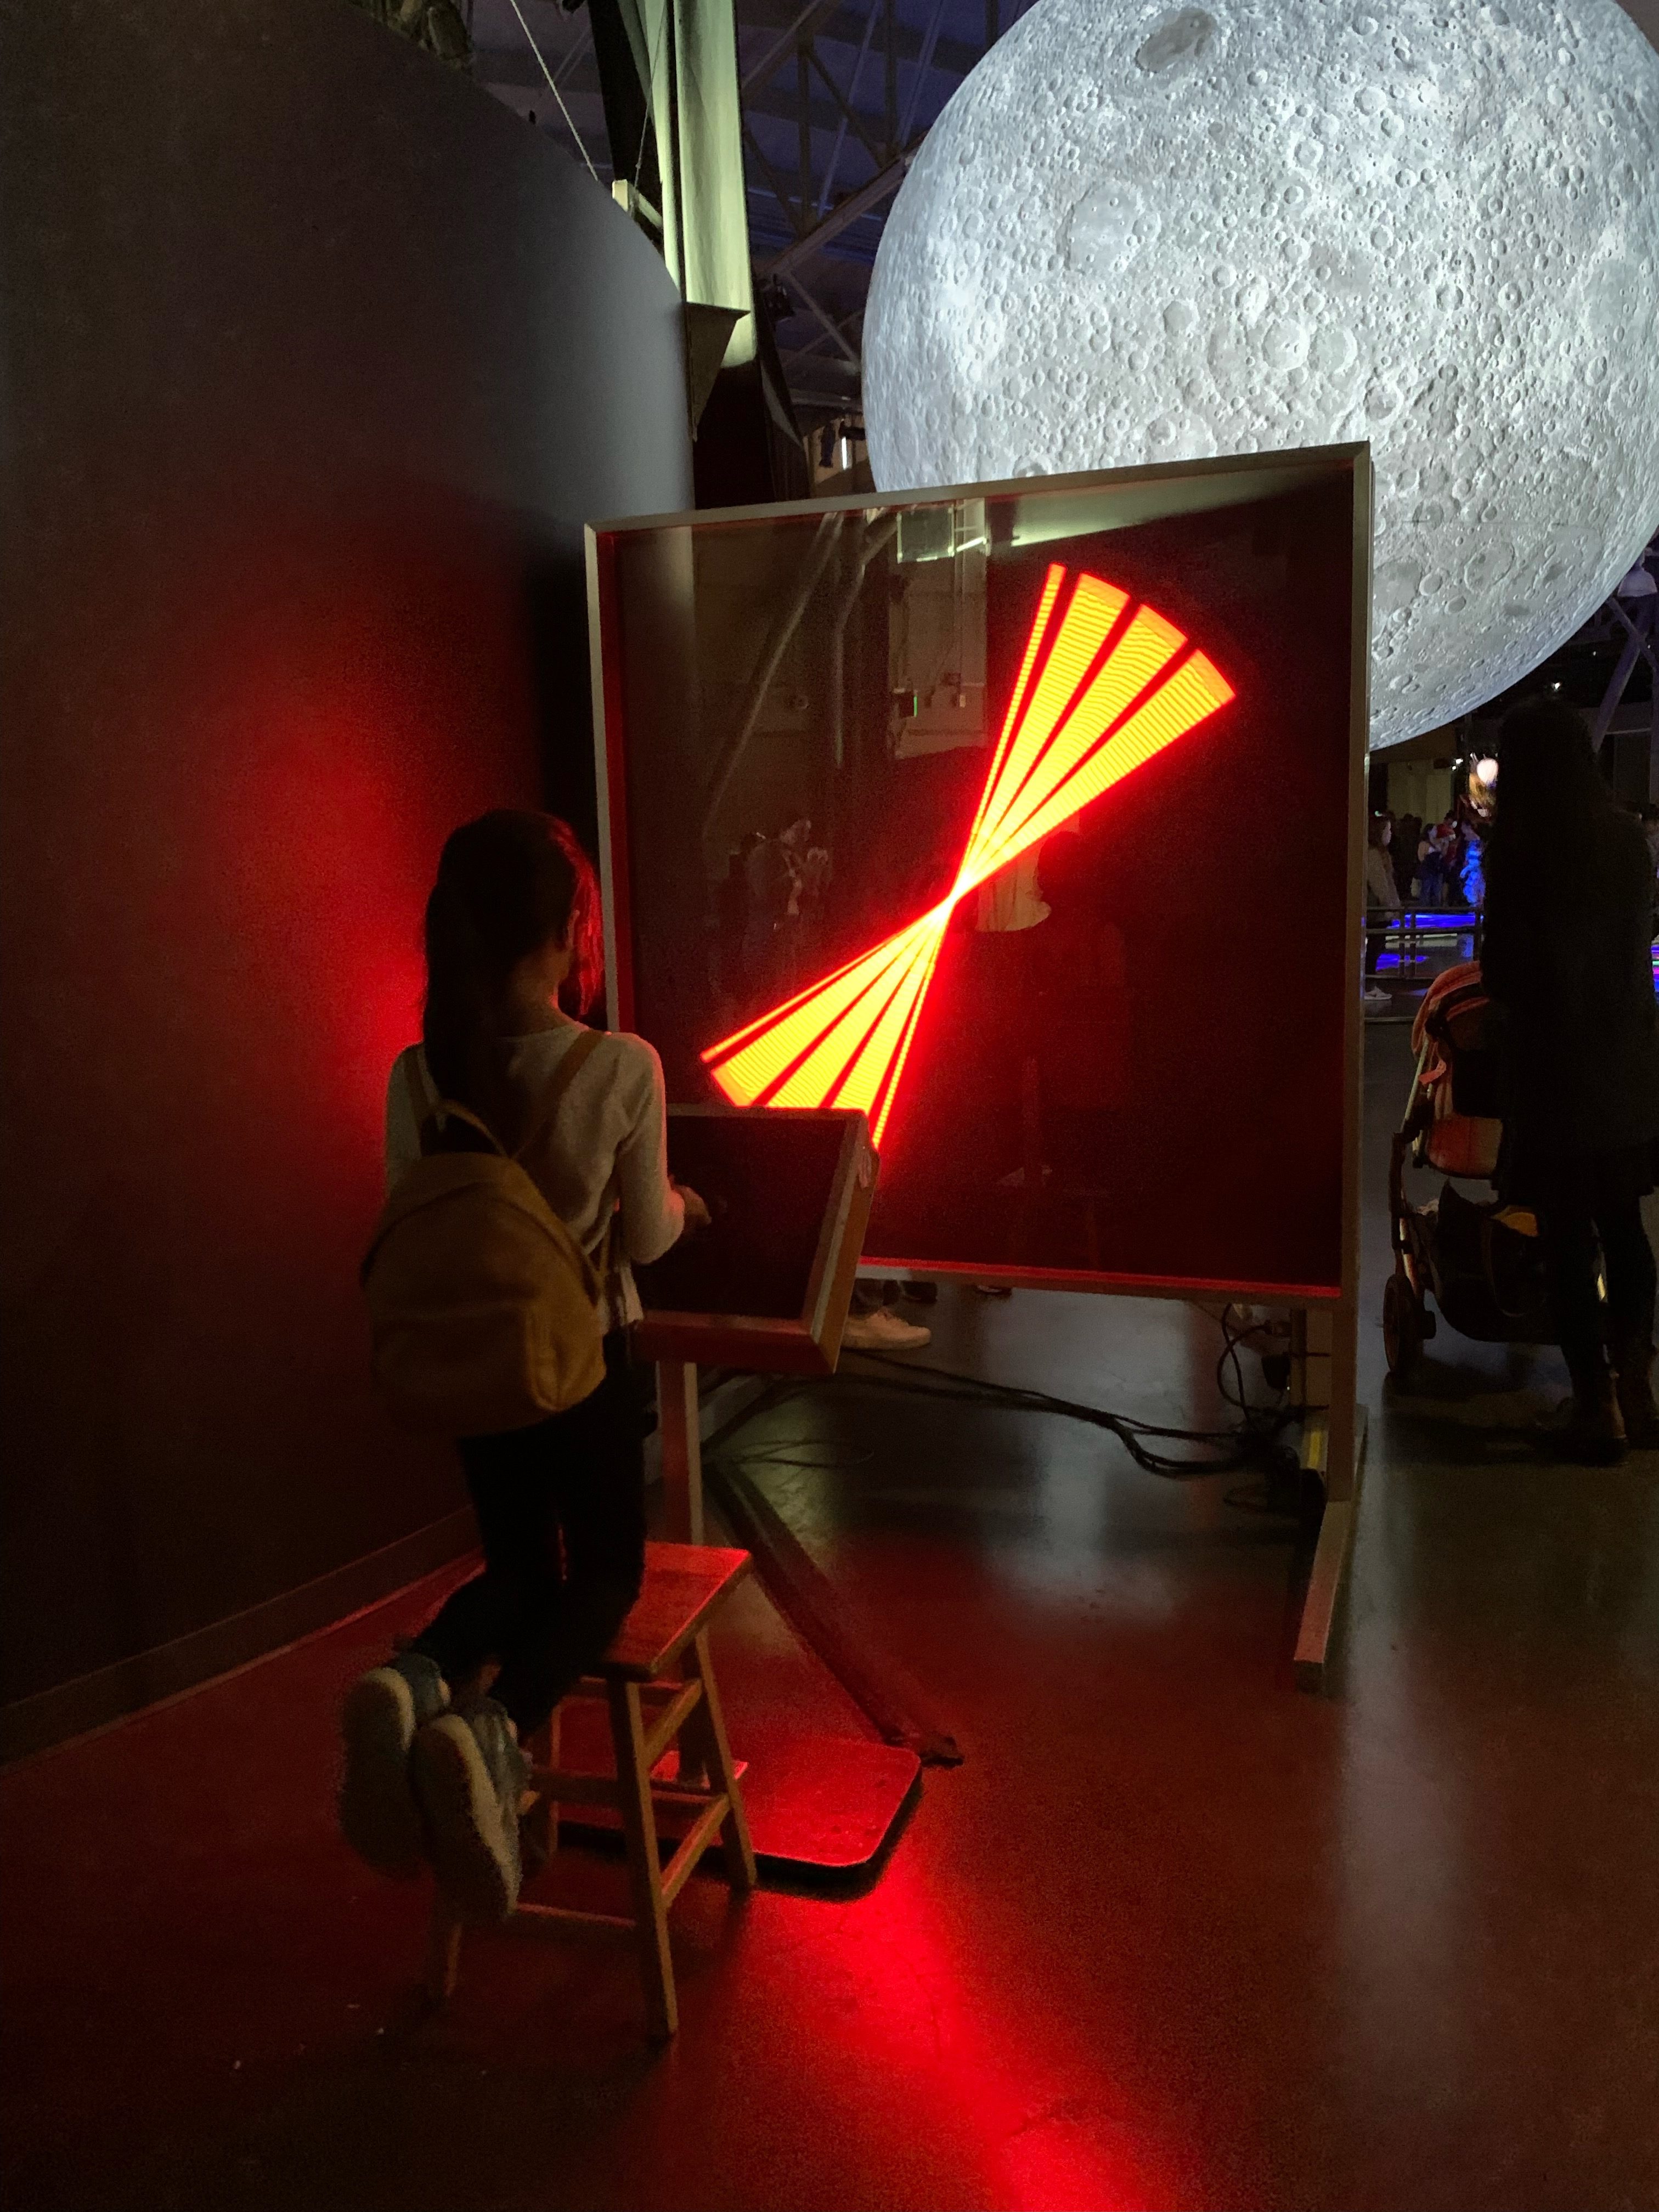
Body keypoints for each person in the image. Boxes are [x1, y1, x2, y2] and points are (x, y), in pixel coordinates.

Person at [338, 810, 709, 1920]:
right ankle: (493, 1735)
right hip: (583, 1367)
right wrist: (690, 1206)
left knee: (515, 1568)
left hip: (472, 1367)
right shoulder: (620, 1068)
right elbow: (644, 1237)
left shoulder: (417, 1075)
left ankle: (413, 1681)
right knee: (604, 1574)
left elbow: (414, 1214)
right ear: (568, 931)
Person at [1481, 699, 1659, 1463]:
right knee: (1625, 1226)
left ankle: (1593, 1407)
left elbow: (1505, 971)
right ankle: (1636, 1385)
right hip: (1627, 1064)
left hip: (1556, 1073)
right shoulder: (1627, 842)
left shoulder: (1519, 847)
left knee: (1565, 1239)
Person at [1364, 813, 1401, 987]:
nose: (1390, 834)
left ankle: (1370, 983)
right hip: (1376, 910)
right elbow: (1380, 884)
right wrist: (1389, 904)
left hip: (1380, 909)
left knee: (1377, 946)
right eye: (1388, 830)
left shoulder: (1381, 853)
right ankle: (1369, 984)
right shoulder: (1373, 854)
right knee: (1375, 946)